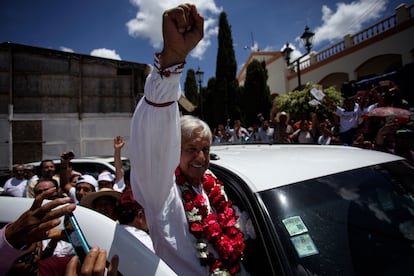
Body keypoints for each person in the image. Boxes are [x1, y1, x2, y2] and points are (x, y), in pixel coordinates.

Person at [129, 4, 246, 275]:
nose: (201, 157)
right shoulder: (162, 193)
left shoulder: (214, 187)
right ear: (173, 150)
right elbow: (155, 134)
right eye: (191, 149)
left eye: (205, 149)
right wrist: (173, 59)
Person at [0, 188, 76, 273]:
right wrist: (8, 239)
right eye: (24, 259)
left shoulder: (49, 267)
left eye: (36, 252)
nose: (36, 259)